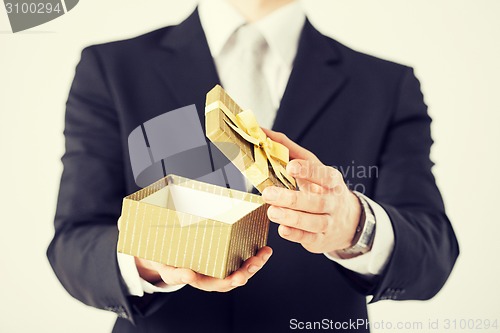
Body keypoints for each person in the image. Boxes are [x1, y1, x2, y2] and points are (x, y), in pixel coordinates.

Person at [47, 0, 459, 332]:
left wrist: (353, 225)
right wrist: (152, 260)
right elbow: (74, 243)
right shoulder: (111, 68)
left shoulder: (386, 84)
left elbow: (433, 253)